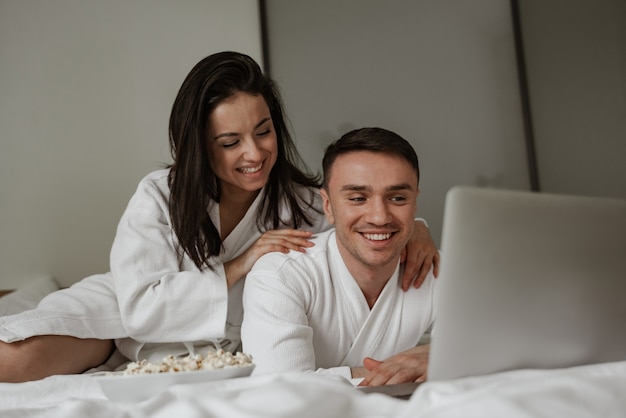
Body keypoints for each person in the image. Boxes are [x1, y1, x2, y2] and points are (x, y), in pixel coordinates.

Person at [0, 52, 439, 383]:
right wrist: (239, 264)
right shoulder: (160, 195)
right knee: (13, 359)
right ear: (200, 144)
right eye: (231, 142)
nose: (255, 153)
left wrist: (416, 229)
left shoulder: (302, 201)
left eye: (264, 131)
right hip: (125, 312)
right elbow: (139, 308)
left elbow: (362, 228)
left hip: (226, 339)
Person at [241, 127, 437, 386]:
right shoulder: (281, 274)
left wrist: (436, 357)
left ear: (415, 202)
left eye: (398, 198)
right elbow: (279, 387)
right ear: (328, 206)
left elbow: (494, 355)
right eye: (357, 198)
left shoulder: (435, 269)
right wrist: (414, 370)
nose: (379, 217)